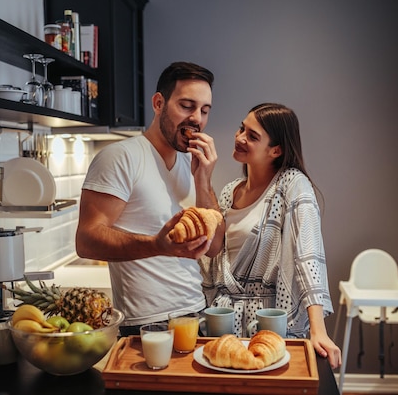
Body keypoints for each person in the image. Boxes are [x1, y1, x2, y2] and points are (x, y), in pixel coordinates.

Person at [75, 62, 221, 336]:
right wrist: (157, 245)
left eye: (204, 110)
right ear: (158, 103)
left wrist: (204, 179)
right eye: (187, 106)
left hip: (197, 313)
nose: (197, 119)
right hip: (147, 325)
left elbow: (214, 247)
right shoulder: (120, 157)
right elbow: (86, 241)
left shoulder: (192, 163)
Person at [199, 102, 342, 368]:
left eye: (252, 136)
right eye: (242, 128)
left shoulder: (292, 185)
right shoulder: (230, 192)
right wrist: (202, 176)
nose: (240, 137)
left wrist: (318, 329)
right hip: (226, 324)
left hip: (270, 324)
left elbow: (307, 254)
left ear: (276, 150)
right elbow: (212, 251)